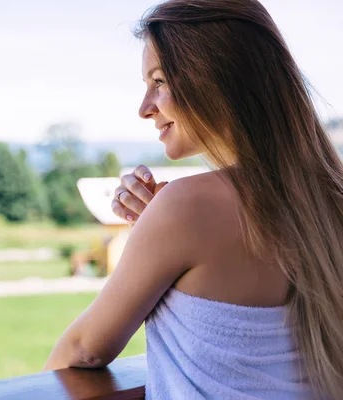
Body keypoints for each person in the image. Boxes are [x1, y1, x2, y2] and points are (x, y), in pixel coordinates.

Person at [43, 0, 343, 398]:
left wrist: (161, 227)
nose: (144, 108)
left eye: (160, 81)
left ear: (215, 78)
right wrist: (155, 229)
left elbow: (82, 351)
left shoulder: (187, 209)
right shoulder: (329, 198)